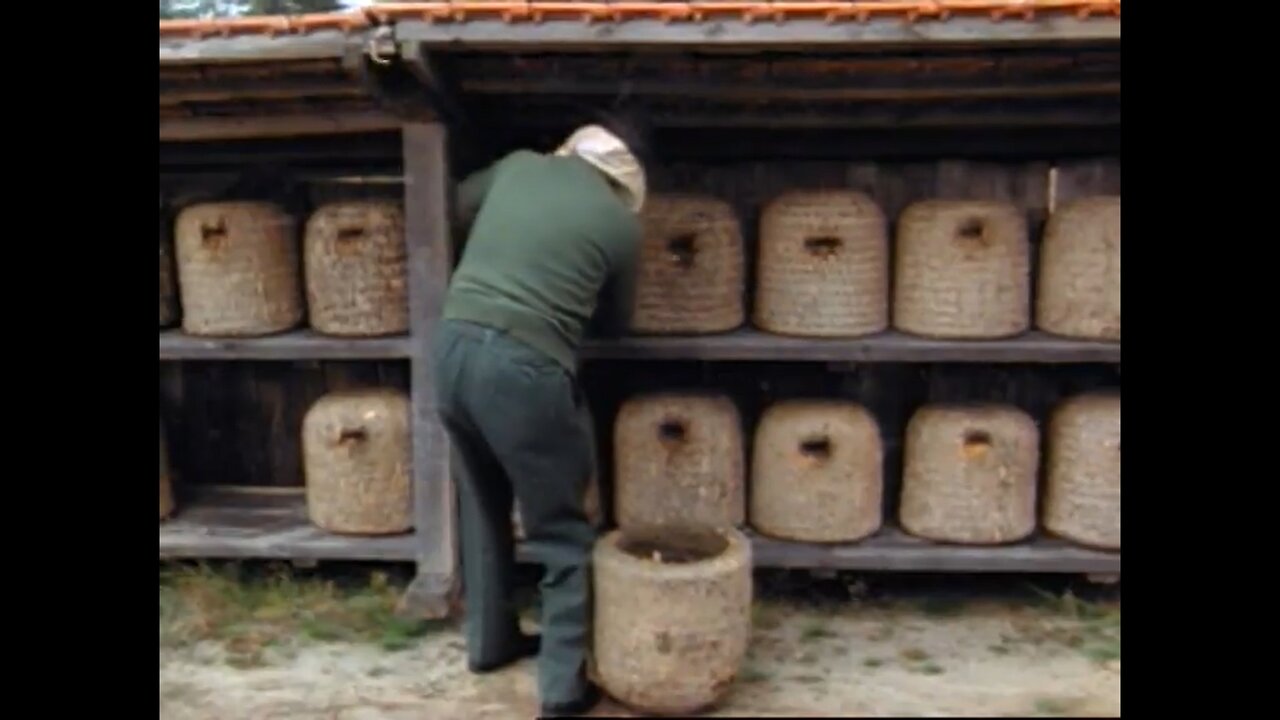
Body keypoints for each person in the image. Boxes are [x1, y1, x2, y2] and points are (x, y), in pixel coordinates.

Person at [430, 122, 647, 717]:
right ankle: (563, 688)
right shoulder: (621, 227)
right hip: (526, 369)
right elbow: (617, 323)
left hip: (450, 346)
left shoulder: (517, 166)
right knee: (563, 532)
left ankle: (490, 644)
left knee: (482, 506)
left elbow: (450, 203)